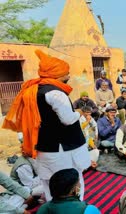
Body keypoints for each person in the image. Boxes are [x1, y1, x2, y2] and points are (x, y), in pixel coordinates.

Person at [2, 50, 91, 201]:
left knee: (49, 182)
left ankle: (52, 207)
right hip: (63, 150)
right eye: (66, 73)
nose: (69, 76)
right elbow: (68, 119)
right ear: (57, 74)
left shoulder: (34, 90)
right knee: (72, 181)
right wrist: (79, 113)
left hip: (45, 147)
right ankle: (75, 208)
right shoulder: (56, 93)